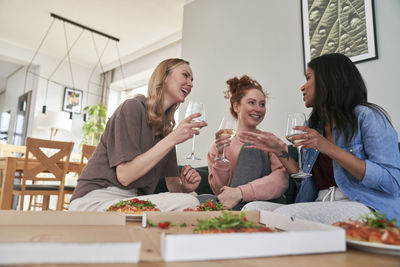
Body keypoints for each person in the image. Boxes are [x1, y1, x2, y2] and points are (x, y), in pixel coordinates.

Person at [239, 53, 400, 224]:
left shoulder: (367, 117)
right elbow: (306, 181)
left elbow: (391, 181)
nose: (303, 87)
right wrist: (279, 150)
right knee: (251, 210)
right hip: (320, 203)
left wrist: (328, 148)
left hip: (365, 205)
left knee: (287, 214)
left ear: (329, 81)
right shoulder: (316, 125)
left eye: (308, 78)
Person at [69, 58, 208, 212]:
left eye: (192, 79)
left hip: (131, 201)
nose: (190, 83)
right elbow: (125, 176)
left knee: (192, 197)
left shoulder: (165, 130)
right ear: (164, 77)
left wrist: (186, 187)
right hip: (95, 199)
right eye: (185, 75)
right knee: (190, 202)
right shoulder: (132, 108)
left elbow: (173, 185)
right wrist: (172, 138)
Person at [205, 75, 288, 210]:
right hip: (231, 205)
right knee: (199, 199)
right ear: (236, 106)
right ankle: (232, 216)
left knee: (250, 149)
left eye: (262, 104)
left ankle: (229, 216)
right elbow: (219, 191)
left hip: (267, 202)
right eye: (251, 102)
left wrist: (241, 192)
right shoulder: (218, 145)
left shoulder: (271, 141)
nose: (258, 108)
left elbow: (281, 181)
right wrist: (220, 158)